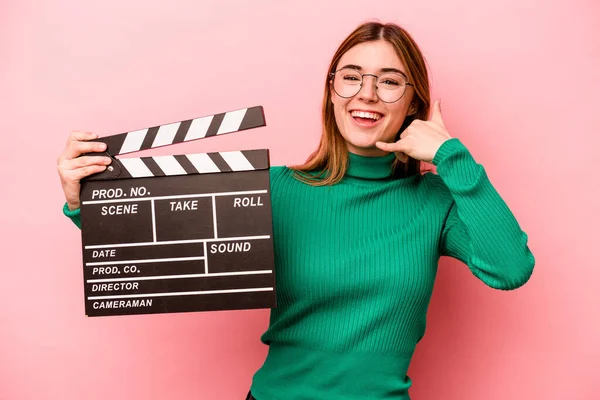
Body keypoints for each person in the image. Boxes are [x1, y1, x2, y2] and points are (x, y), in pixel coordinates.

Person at [57, 21, 535, 400]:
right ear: (332, 91)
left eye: (390, 82)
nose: (366, 94)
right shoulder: (276, 190)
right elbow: (151, 245)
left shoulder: (435, 203)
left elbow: (511, 268)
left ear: (414, 103)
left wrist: (451, 154)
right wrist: (83, 202)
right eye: (351, 77)